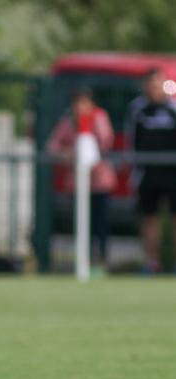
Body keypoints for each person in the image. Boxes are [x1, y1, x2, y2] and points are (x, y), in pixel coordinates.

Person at [47, 88, 116, 269]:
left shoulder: (99, 118)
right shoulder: (68, 121)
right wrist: (67, 153)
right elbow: (53, 146)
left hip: (99, 182)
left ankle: (101, 260)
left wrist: (92, 123)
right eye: (77, 103)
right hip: (77, 182)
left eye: (84, 103)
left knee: (99, 223)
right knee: (80, 223)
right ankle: (81, 259)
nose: (80, 107)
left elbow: (106, 142)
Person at [125, 67, 176, 274]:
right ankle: (152, 263)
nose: (154, 88)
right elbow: (131, 142)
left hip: (172, 173)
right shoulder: (137, 109)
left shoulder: (173, 108)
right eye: (150, 84)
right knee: (149, 219)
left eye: (157, 84)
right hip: (148, 173)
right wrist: (133, 171)